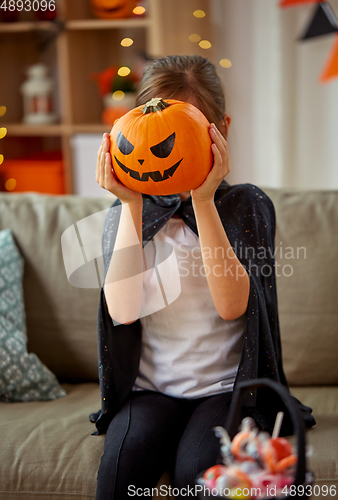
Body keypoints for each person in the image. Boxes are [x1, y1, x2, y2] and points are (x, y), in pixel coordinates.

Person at [92, 55, 316, 499]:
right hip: (149, 392)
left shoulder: (246, 206)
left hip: (223, 390)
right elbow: (122, 310)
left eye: (180, 134)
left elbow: (232, 306)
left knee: (198, 469)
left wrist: (204, 201)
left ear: (221, 129)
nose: (165, 152)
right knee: (120, 468)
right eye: (152, 137)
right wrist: (132, 207)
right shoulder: (125, 214)